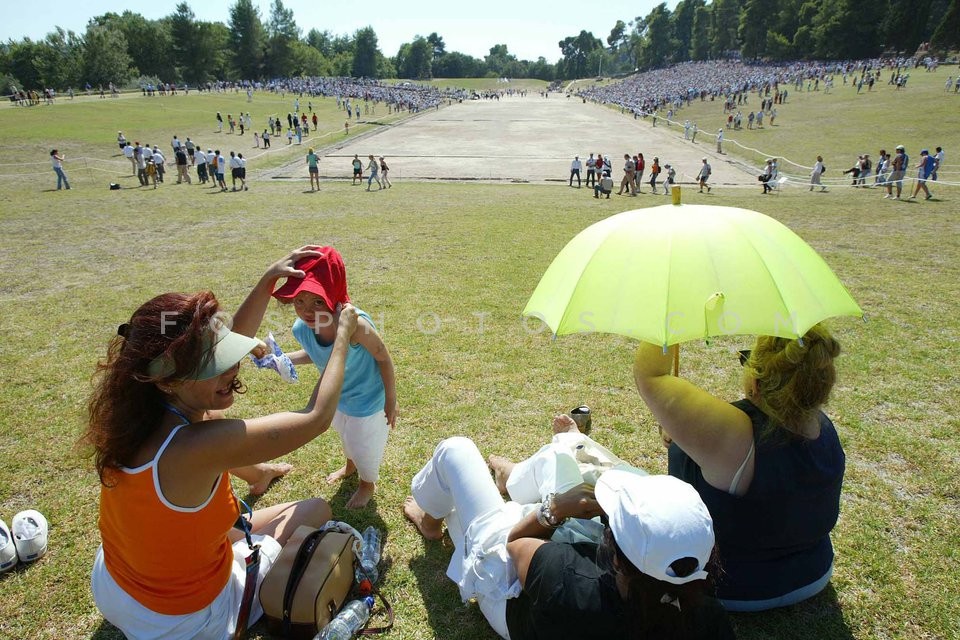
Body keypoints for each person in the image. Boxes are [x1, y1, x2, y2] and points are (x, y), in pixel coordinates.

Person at [86, 247, 359, 639]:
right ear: (167, 380)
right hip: (182, 620)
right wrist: (341, 339)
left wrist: (267, 282)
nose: (232, 368)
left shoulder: (139, 414)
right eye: (215, 365)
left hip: (117, 585)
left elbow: (224, 345)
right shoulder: (199, 445)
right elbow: (315, 419)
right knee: (315, 510)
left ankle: (259, 475)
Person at [403, 437, 735, 640]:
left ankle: (429, 519)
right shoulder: (709, 620)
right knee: (553, 466)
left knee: (456, 451)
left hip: (512, 603)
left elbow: (514, 544)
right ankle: (512, 478)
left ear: (616, 557)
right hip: (555, 597)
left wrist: (555, 510)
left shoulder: (568, 577)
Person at [633, 324, 845, 611]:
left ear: (756, 383)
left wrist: (669, 317)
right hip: (814, 572)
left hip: (732, 590)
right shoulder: (823, 427)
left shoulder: (733, 434)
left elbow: (651, 375)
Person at [272, 248, 397, 509]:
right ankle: (350, 466)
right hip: (338, 397)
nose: (308, 311)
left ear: (335, 296)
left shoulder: (356, 327)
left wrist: (391, 399)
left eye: (318, 302)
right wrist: (284, 360)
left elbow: (384, 358)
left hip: (368, 401)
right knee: (345, 435)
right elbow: (316, 353)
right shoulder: (301, 329)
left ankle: (367, 484)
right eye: (299, 301)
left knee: (364, 445)